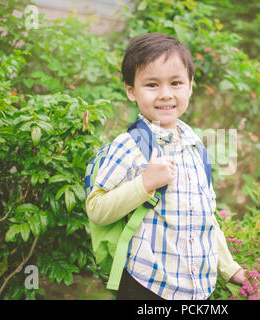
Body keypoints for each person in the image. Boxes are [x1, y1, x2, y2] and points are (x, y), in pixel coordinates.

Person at [85, 33, 246, 300]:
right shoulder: (129, 145)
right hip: (147, 285)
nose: (166, 94)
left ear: (190, 86)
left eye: (176, 83)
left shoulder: (197, 148)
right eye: (151, 84)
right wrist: (145, 184)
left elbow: (206, 219)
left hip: (197, 289)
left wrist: (230, 269)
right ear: (130, 90)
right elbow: (96, 209)